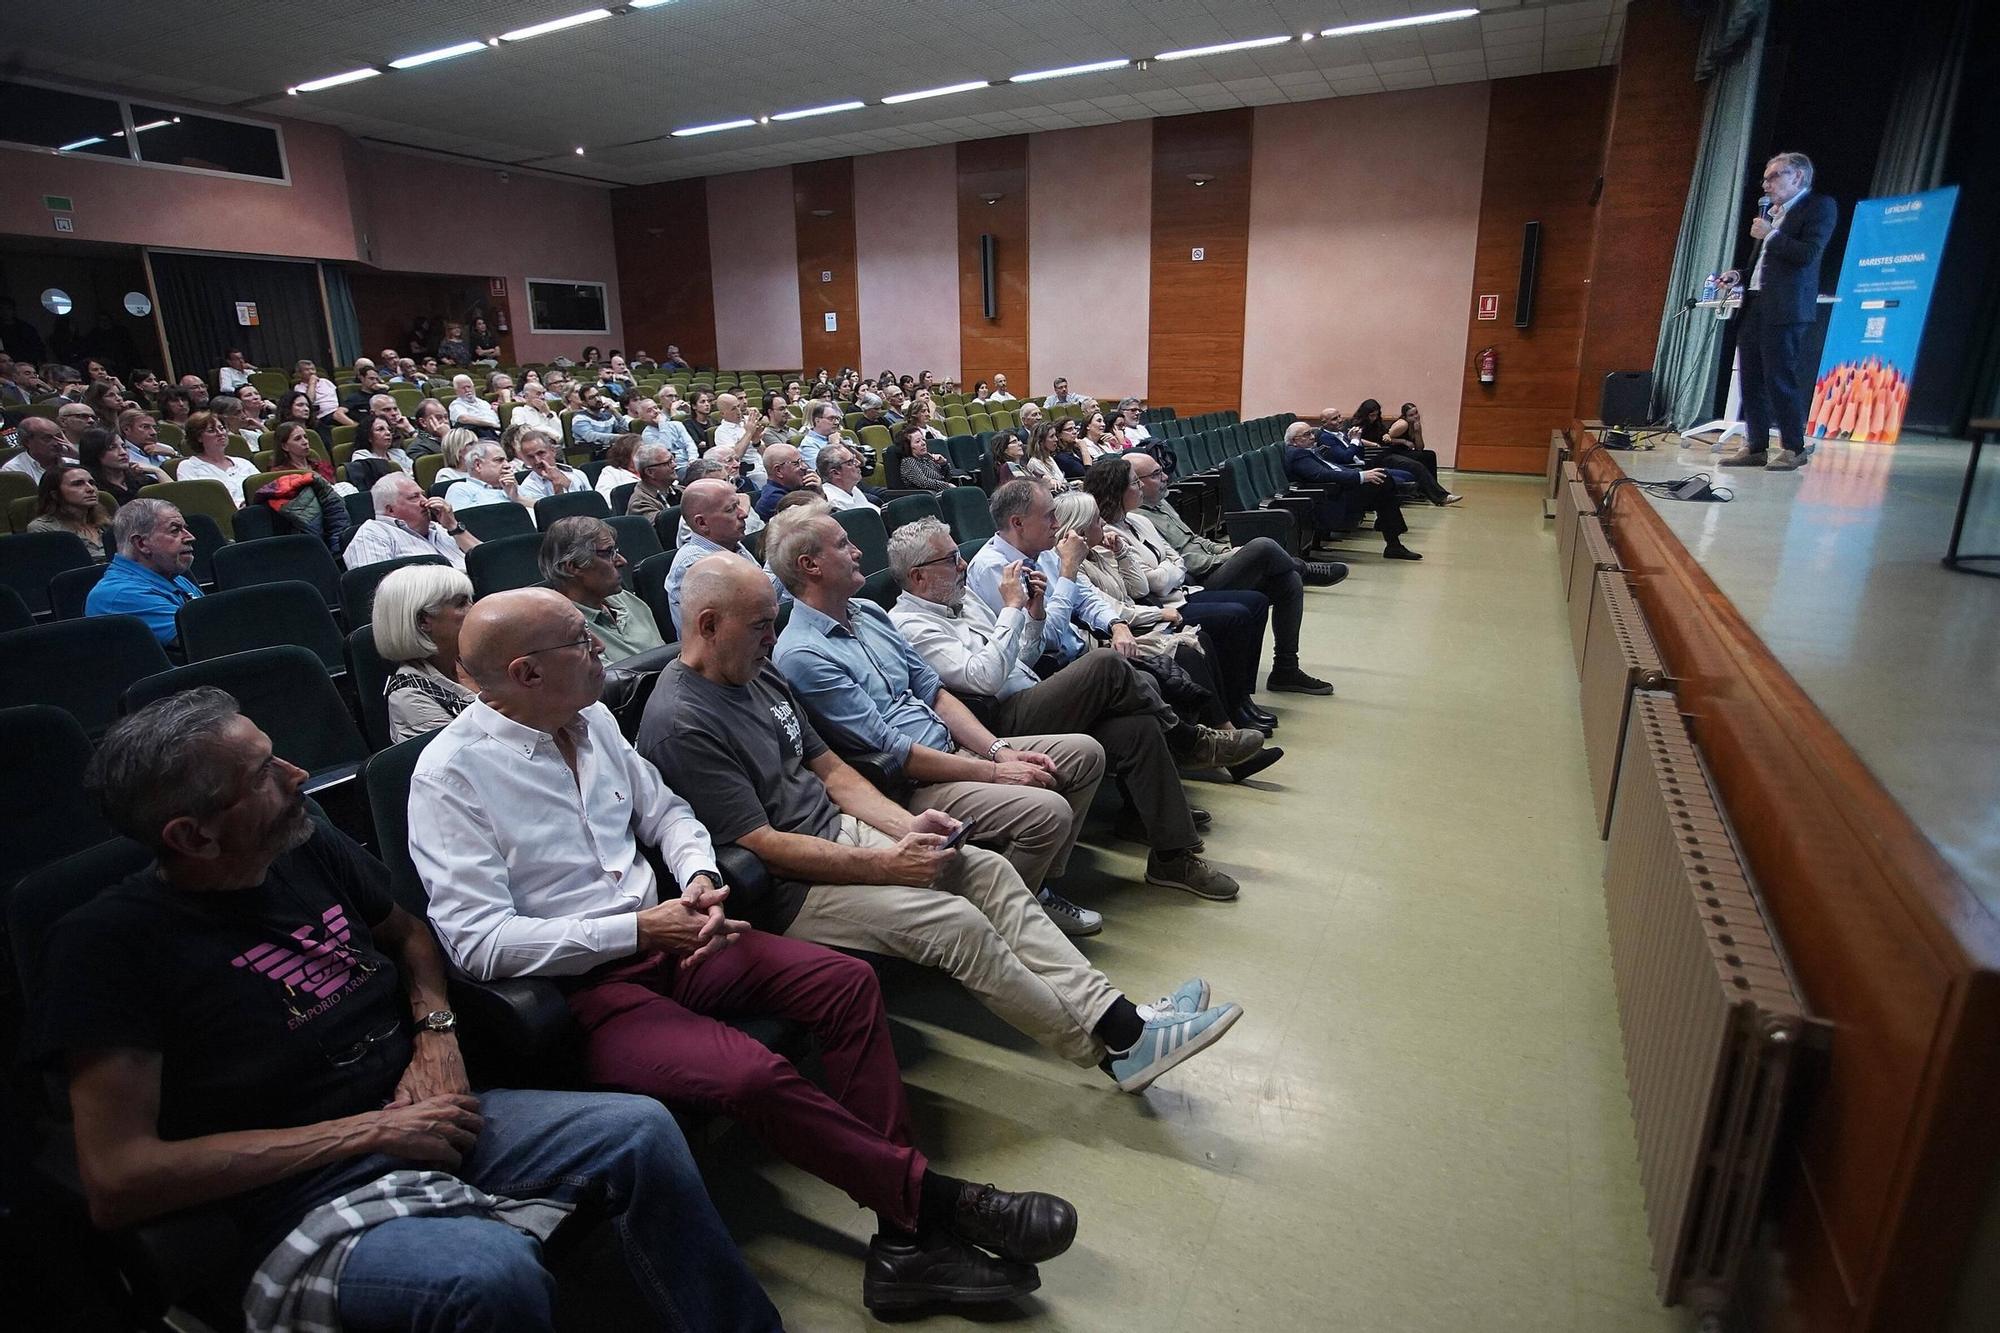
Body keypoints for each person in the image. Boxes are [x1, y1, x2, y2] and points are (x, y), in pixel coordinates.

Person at [411, 588, 1073, 1313]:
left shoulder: (592, 718)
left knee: (846, 984)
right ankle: (932, 1206)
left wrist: (697, 873)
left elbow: (667, 813)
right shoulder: (450, 774)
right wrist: (637, 929)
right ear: (526, 673)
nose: (604, 652)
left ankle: (904, 1239)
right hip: (588, 991)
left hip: (681, 935)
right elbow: (477, 943)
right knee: (753, 1074)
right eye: (583, 643)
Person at [31, 689, 776, 1331]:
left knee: (640, 1129)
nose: (298, 777)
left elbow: (410, 934)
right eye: (264, 773)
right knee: (486, 1275)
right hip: (296, 1191)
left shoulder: (302, 844)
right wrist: (374, 1129)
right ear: (191, 836)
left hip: (433, 1107)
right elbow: (118, 1178)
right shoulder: (104, 947)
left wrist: (436, 1032)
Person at [645, 556, 1245, 1095]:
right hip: (792, 887)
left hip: (839, 831)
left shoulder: (755, 668)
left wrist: (908, 829)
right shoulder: (683, 721)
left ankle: (1122, 1020)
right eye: (760, 627)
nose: (773, 638)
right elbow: (765, 848)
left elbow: (831, 771)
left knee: (984, 870)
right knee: (957, 921)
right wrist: (887, 863)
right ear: (706, 624)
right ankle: (1114, 1047)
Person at [767, 506, 1110, 927]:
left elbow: (935, 692)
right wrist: (994, 773)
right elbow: (892, 752)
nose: (858, 551)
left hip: (955, 749)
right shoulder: (802, 652)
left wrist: (998, 752)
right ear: (810, 566)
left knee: (1085, 754)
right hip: (914, 783)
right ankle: (1006, 922)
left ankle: (1034, 891)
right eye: (842, 544)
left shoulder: (869, 613)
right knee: (1048, 811)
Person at [888, 518, 1255, 899]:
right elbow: (983, 680)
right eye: (951, 559)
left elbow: (1024, 657)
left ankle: (1172, 856)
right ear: (918, 576)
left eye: (958, 555)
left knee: (1137, 729)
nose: (962, 564)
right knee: (1107, 665)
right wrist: (1012, 609)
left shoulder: (960, 602)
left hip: (1031, 692)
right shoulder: (909, 624)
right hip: (995, 723)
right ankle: (1187, 740)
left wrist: (1033, 613)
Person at [1093, 455, 1334, 698]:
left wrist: (1227, 553)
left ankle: (1286, 668)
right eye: (1154, 475)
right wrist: (1226, 559)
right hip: (1198, 579)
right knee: (1262, 546)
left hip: (1189, 577)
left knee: (1287, 582)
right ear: (1126, 487)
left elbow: (1192, 545)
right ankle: (1303, 568)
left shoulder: (1152, 509)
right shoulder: (1125, 522)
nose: (1165, 477)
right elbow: (1181, 565)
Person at [1719, 151, 1838, 472]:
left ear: (1797, 176)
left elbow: (1807, 254)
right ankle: (1755, 446)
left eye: (1774, 176)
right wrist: (1738, 275)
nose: (1766, 184)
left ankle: (1793, 447)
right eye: (1765, 178)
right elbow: (1761, 264)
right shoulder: (1772, 214)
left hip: (1786, 308)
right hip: (1756, 303)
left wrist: (1770, 233)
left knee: (1779, 378)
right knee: (1751, 378)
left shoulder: (1819, 206)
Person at [1285, 420, 1421, 561]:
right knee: (1383, 483)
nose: (1313, 437)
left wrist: (1360, 473)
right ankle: (1394, 540)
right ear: (1295, 440)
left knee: (1382, 482)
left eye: (1312, 433)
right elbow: (1321, 474)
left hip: (1337, 489)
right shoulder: (1297, 454)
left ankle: (1393, 539)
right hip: (1329, 497)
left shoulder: (1307, 451)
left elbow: (1334, 467)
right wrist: (1360, 476)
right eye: (1307, 434)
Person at [373, 563, 478, 740]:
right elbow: (471, 759)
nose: (474, 608)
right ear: (423, 620)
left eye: (470, 600)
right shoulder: (410, 699)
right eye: (461, 603)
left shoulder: (475, 656)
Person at [540, 516, 665, 663]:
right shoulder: (563, 630)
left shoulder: (627, 599)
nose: (622, 561)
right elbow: (612, 685)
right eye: (608, 553)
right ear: (573, 566)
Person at [85, 500, 203, 649]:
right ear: (141, 544)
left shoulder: (176, 577)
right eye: (175, 530)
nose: (190, 537)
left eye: (185, 529)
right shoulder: (120, 595)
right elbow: (209, 638)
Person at [343, 474, 479, 571]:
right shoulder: (373, 535)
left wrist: (453, 526)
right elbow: (377, 593)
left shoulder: (438, 528)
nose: (425, 501)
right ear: (390, 509)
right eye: (414, 497)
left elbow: (488, 559)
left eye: (423, 494)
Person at [27, 462, 115, 562]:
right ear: (55, 494)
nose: (90, 489)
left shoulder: (106, 523)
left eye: (92, 483)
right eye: (77, 484)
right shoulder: (43, 529)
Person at [1380, 402, 1461, 504]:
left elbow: (1420, 447)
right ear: (1405, 416)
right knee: (1418, 465)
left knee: (1429, 455)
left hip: (1404, 451)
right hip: (1393, 452)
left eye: (1416, 413)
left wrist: (1417, 432)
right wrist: (1403, 441)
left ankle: (1430, 491)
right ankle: (1439, 496)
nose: (1415, 416)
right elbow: (1385, 438)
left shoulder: (1415, 424)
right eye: (1411, 415)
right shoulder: (1402, 424)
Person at [177, 410, 258, 506]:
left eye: (222, 428)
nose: (220, 433)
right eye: (211, 431)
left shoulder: (243, 463)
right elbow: (196, 501)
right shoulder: (188, 467)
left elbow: (264, 489)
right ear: (198, 437)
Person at [83, 427, 160, 506]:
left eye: (124, 446)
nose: (123, 452)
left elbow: (171, 495)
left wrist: (157, 471)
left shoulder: (139, 480)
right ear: (95, 453)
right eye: (112, 448)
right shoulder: (93, 488)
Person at [445, 440, 527, 510]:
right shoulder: (461, 489)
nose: (507, 465)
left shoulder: (515, 488)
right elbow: (459, 525)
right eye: (499, 460)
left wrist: (516, 497)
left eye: (506, 460)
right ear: (478, 465)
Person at [344, 414, 413, 494]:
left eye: (389, 429)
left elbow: (417, 474)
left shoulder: (398, 453)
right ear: (369, 436)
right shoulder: (361, 455)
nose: (388, 433)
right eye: (380, 429)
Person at [515, 429, 588, 502]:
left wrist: (568, 484)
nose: (538, 461)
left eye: (541, 453)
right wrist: (557, 488)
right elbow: (553, 512)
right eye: (531, 457)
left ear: (553, 451)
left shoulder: (577, 474)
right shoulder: (528, 488)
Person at [754, 442, 821, 520]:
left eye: (802, 461)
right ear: (778, 471)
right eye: (796, 463)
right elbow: (817, 521)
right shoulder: (775, 499)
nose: (804, 467)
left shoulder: (798, 488)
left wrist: (818, 491)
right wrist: (819, 496)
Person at [4, 416, 72, 484]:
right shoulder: (13, 470)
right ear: (27, 442)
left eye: (58, 437)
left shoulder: (73, 462)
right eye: (47, 438)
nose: (56, 443)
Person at [625, 441, 680, 519]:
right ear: (650, 472)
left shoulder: (681, 491)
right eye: (667, 462)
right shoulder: (640, 505)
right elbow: (665, 527)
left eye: (672, 459)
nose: (674, 465)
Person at [291, 360, 353, 428]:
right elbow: (309, 401)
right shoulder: (299, 388)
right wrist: (312, 383)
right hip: (323, 416)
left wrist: (342, 409)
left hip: (339, 411)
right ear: (299, 373)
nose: (311, 372)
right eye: (307, 370)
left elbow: (339, 398)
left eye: (313, 369)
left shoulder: (326, 382)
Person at [896, 422, 956, 493]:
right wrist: (947, 486)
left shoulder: (926, 458)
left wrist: (944, 464)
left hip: (943, 493)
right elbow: (923, 482)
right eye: (917, 441)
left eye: (923, 439)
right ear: (908, 447)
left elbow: (946, 478)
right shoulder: (908, 462)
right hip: (929, 497)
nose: (923, 443)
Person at [270, 419, 334, 484]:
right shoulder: (280, 474)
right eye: (297, 439)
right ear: (285, 447)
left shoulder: (321, 466)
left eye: (305, 437)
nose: (305, 442)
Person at [817, 444, 877, 511]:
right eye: (851, 462)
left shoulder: (852, 489)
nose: (858, 463)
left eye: (855, 459)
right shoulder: (833, 503)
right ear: (835, 473)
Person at [569, 386, 626, 453]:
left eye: (597, 395)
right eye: (592, 398)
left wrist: (615, 412)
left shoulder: (607, 415)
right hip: (590, 455)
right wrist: (619, 437)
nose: (597, 399)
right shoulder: (580, 418)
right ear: (584, 403)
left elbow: (626, 431)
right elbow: (591, 436)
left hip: (610, 452)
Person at [594, 432, 643, 505]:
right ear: (625, 455)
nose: (644, 457)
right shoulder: (611, 472)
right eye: (639, 453)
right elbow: (605, 498)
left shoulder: (652, 469)